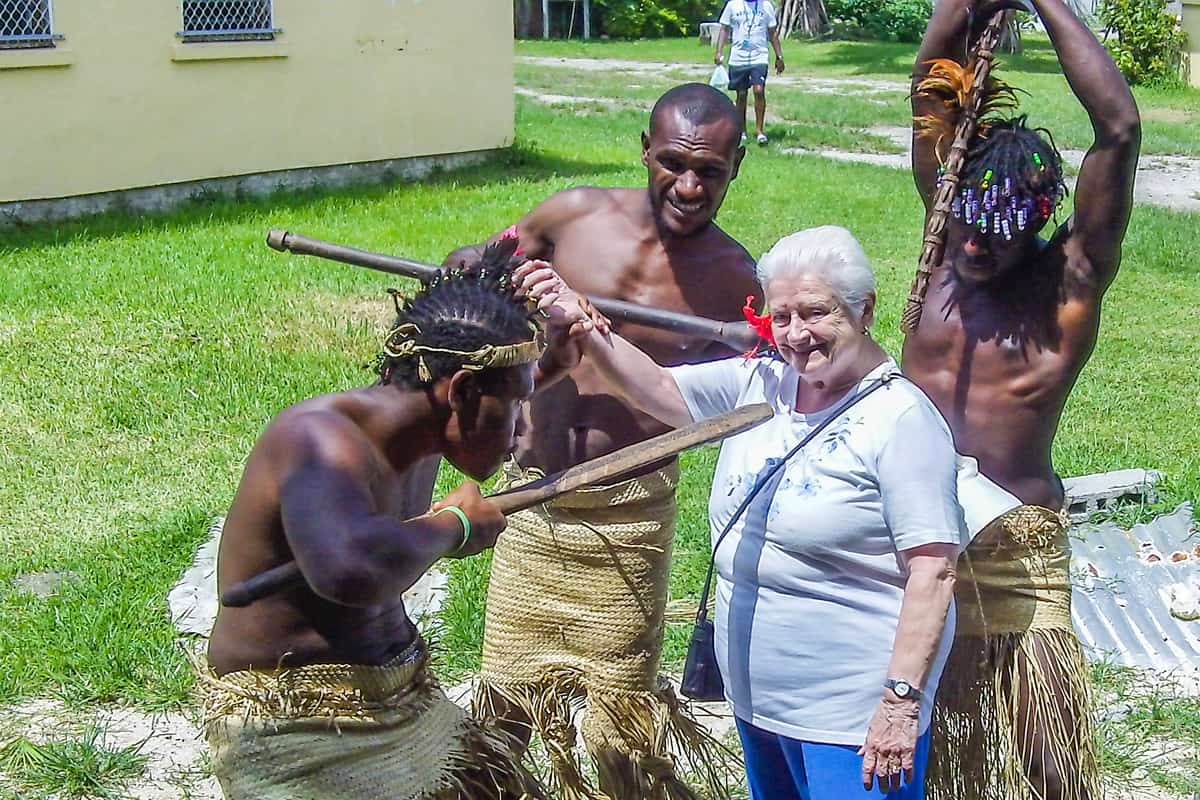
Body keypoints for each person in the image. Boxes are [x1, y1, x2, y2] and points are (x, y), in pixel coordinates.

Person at [519, 226, 963, 800]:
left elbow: (934, 570)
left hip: (850, 718)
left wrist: (900, 705)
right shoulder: (764, 383)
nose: (797, 335)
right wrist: (579, 319)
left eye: (815, 313)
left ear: (864, 308)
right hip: (759, 702)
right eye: (781, 318)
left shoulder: (902, 420)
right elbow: (661, 390)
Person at [443, 83, 761, 799]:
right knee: (506, 705)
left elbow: (750, 395)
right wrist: (476, 268)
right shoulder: (576, 213)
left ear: (736, 165)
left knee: (621, 728)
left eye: (709, 170)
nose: (688, 185)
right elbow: (486, 263)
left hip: (631, 519)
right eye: (672, 162)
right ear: (644, 150)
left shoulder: (737, 283)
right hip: (534, 506)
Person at [202, 240, 580, 800]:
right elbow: (347, 569)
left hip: (404, 697)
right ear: (461, 391)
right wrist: (452, 523)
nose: (522, 427)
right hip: (299, 721)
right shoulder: (320, 441)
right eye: (520, 405)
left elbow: (487, 388)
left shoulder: (431, 422)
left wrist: (559, 357)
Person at [905, 2, 1141, 798]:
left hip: (1016, 552)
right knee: (908, 747)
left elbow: (1118, 127)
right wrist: (959, 10)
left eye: (1004, 230)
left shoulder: (1066, 284)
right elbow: (929, 88)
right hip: (911, 541)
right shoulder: (944, 242)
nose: (977, 244)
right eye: (971, 219)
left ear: (1042, 224)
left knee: (1053, 767)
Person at [714, 0, 785, 146]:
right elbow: (724, 29)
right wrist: (719, 51)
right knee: (741, 95)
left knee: (759, 90)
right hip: (738, 58)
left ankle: (760, 131)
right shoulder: (733, 5)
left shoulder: (766, 6)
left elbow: (772, 33)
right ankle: (742, 131)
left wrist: (779, 56)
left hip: (759, 56)